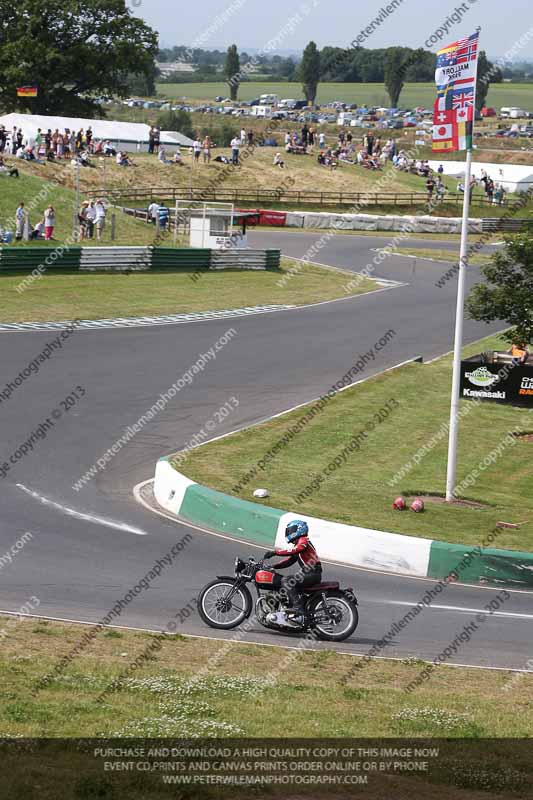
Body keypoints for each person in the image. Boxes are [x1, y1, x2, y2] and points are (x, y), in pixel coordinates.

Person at [263, 520, 322, 620]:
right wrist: (273, 566)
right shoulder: (299, 546)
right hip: (309, 572)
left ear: (299, 529)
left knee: (286, 580)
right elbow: (289, 561)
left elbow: (296, 550)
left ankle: (298, 608)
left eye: (291, 530)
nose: (289, 532)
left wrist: (275, 552)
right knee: (286, 582)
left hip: (313, 573)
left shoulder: (303, 540)